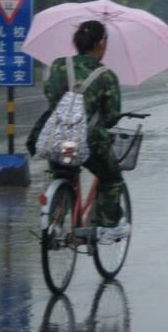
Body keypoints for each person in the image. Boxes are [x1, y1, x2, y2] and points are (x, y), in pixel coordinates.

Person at [27, 20, 127, 241]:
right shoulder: (106, 76)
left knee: (63, 172)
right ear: (101, 43)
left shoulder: (58, 66)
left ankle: (54, 223)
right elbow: (111, 117)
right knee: (111, 178)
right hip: (88, 141)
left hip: (57, 138)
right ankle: (107, 228)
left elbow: (50, 96)